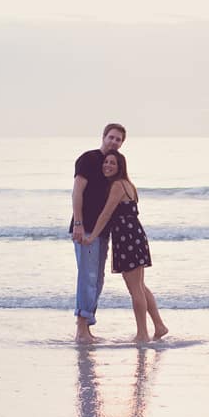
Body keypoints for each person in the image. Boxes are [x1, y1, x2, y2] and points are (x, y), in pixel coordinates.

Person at [83, 150, 168, 342]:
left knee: (135, 289)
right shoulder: (129, 185)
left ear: (120, 167)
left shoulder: (118, 185)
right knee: (140, 286)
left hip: (127, 238)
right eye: (106, 162)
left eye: (112, 163)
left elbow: (106, 214)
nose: (107, 165)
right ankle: (159, 326)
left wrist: (92, 236)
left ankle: (142, 334)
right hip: (134, 235)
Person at [71, 123, 126, 343]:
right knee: (87, 277)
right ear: (103, 137)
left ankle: (87, 325)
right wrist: (78, 223)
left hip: (102, 231)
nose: (114, 141)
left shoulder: (113, 166)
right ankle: (81, 329)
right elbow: (77, 192)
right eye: (111, 137)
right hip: (85, 228)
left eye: (118, 139)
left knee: (98, 279)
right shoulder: (88, 159)